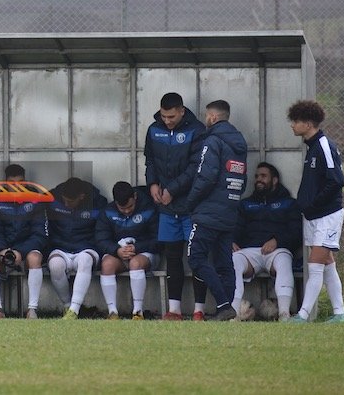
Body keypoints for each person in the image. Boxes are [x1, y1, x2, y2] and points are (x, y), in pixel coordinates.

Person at [144, 92, 208, 320]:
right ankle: (174, 310)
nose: (167, 120)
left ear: (182, 111)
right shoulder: (153, 129)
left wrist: (173, 189)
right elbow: (150, 159)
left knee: (196, 257)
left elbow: (195, 167)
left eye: (171, 116)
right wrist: (152, 184)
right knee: (172, 256)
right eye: (164, 116)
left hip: (191, 205)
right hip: (167, 207)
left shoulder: (197, 130)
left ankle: (199, 309)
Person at [185, 99, 248, 321]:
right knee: (224, 263)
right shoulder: (239, 143)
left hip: (208, 212)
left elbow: (205, 176)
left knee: (196, 258)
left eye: (206, 116)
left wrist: (190, 203)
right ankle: (227, 311)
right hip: (230, 211)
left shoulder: (212, 141)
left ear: (212, 117)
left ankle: (223, 305)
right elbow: (243, 179)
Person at [287, 100, 344, 323]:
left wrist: (314, 204)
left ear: (309, 123)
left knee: (314, 266)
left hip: (327, 216)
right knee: (328, 266)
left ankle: (302, 316)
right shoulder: (312, 147)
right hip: (314, 216)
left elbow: (337, 180)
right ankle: (340, 314)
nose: (292, 125)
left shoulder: (324, 145)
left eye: (296, 121)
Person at [231, 162, 301, 321]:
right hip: (251, 252)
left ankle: (284, 314)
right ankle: (234, 313)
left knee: (284, 260)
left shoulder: (288, 203)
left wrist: (277, 241)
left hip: (277, 251)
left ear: (274, 180)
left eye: (263, 176)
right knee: (234, 259)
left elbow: (296, 232)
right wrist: (232, 241)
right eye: (256, 176)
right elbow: (236, 227)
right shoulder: (246, 204)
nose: (258, 180)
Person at [0, 164, 49, 319]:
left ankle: (32, 310)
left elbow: (40, 235)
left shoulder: (37, 201)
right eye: (13, 183)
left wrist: (21, 252)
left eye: (20, 183)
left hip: (26, 252)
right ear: (6, 183)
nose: (17, 187)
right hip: (5, 252)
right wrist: (2, 250)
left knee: (35, 258)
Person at [43, 176, 107, 320]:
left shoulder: (98, 203)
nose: (66, 203)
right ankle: (67, 306)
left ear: (82, 196)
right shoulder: (52, 199)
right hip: (61, 246)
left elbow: (103, 230)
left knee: (85, 260)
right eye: (64, 200)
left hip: (87, 247)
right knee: (55, 265)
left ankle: (74, 310)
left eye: (70, 201)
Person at [95, 181, 160, 320]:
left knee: (135, 263)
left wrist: (137, 248)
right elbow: (101, 239)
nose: (126, 211)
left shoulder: (149, 208)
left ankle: (137, 312)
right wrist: (116, 250)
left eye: (130, 206)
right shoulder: (108, 212)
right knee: (106, 265)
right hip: (119, 254)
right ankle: (112, 312)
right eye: (121, 208)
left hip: (145, 254)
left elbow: (158, 240)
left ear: (135, 196)